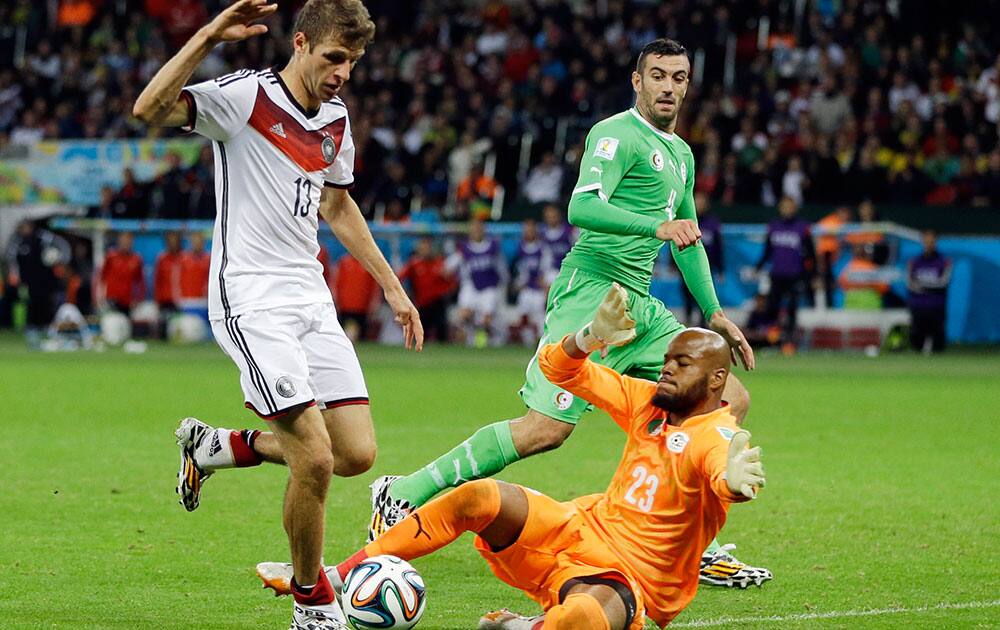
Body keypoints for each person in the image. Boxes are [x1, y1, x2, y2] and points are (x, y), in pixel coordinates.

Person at [370, 38, 771, 588]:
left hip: (643, 307)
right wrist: (655, 227)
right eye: (657, 75)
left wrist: (716, 312)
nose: (668, 87)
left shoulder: (681, 154)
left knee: (726, 400)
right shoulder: (614, 134)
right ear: (638, 81)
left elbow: (688, 239)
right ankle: (404, 492)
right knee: (545, 430)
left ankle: (690, 542)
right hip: (594, 292)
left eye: (678, 78)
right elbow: (581, 206)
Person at [131, 2, 424, 627]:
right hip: (251, 299)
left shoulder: (337, 118)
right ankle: (312, 604)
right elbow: (149, 109)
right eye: (334, 58)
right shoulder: (244, 98)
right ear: (300, 44)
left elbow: (338, 207)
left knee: (354, 454)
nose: (343, 72)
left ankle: (219, 447)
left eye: (353, 61)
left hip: (310, 299)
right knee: (314, 459)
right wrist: (210, 34)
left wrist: (393, 290)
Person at [258, 288, 767, 628]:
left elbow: (721, 470)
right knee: (479, 497)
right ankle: (338, 575)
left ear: (717, 381)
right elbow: (561, 370)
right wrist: (587, 338)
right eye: (668, 360)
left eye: (682, 364)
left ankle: (527, 627)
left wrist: (731, 482)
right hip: (579, 530)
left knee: (581, 619)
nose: (666, 370)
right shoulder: (645, 402)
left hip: (633, 580)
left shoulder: (716, 434)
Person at [756, 196, 816, 347]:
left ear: (795, 208)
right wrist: (758, 266)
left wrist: (811, 276)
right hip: (777, 275)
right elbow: (768, 251)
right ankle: (772, 340)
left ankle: (790, 342)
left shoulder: (803, 227)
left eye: (790, 206)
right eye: (784, 206)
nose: (787, 209)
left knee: (792, 309)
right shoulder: (774, 226)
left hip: (795, 275)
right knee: (772, 308)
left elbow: (811, 254)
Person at [449, 218, 508, 347]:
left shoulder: (492, 247)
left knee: (487, 319)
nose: (476, 231)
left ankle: (489, 338)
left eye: (479, 228)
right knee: (464, 315)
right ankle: (471, 337)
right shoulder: (463, 248)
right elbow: (449, 267)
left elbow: (501, 268)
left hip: (489, 287)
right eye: (473, 228)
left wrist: (504, 284)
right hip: (470, 286)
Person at [398, 237, 456, 343]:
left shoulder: (439, 263)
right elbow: (399, 277)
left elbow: (451, 283)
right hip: (422, 304)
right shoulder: (413, 264)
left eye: (427, 248)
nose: (425, 250)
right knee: (420, 333)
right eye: (423, 248)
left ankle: (444, 353)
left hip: (438, 302)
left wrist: (447, 282)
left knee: (441, 332)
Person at [680, 192, 722, 326]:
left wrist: (720, 268)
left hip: (706, 268)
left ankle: (703, 325)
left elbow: (718, 247)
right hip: (686, 266)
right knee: (687, 298)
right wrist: (673, 264)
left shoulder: (713, 223)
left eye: (701, 202)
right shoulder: (684, 220)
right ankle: (688, 323)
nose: (699, 205)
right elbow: (676, 242)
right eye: (696, 201)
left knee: (703, 297)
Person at [907, 230, 951, 353]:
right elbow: (910, 284)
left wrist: (922, 286)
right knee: (917, 344)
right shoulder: (914, 262)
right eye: (926, 241)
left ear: (936, 242)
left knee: (938, 346)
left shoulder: (944, 261)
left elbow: (943, 283)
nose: (929, 244)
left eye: (932, 241)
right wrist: (930, 285)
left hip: (936, 307)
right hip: (918, 307)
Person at [511, 218, 552, 345]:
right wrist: (518, 283)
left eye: (531, 229)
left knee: (540, 316)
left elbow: (547, 265)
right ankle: (526, 341)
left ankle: (541, 341)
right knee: (523, 314)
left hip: (539, 288)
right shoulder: (520, 248)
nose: (528, 232)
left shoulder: (542, 248)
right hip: (527, 288)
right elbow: (519, 269)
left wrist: (545, 282)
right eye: (526, 229)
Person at [332, 253, 380, 341]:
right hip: (345, 305)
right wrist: (335, 300)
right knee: (342, 336)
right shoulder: (343, 262)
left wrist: (374, 303)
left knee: (362, 336)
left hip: (363, 306)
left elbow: (374, 287)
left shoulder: (368, 264)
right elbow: (336, 282)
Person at [100, 231, 146, 314]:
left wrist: (138, 299)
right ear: (119, 241)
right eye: (124, 240)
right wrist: (100, 298)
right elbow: (102, 278)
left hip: (129, 302)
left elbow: (140, 282)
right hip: (112, 300)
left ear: (132, 242)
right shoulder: (111, 257)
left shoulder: (137, 259)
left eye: (129, 240)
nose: (126, 243)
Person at [153, 231, 184, 333]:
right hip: (165, 300)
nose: (173, 243)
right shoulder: (162, 259)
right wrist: (158, 300)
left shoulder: (185, 258)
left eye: (175, 240)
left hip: (182, 300)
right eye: (170, 240)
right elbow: (158, 281)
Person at [178, 231, 210, 307]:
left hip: (203, 301)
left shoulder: (209, 259)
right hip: (186, 300)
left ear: (203, 243)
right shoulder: (183, 259)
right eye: (195, 241)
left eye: (199, 241)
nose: (197, 244)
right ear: (191, 242)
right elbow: (177, 280)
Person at [540, 203, 574, 272]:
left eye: (553, 216)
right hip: (552, 270)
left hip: (569, 267)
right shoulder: (542, 234)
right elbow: (544, 257)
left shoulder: (569, 231)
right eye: (549, 217)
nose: (551, 219)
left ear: (559, 215)